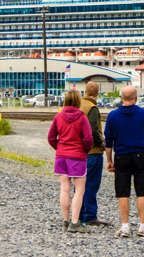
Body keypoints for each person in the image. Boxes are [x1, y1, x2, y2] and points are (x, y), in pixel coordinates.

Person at [104, 85, 144, 238]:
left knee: (123, 192)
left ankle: (125, 226)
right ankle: (142, 226)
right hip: (141, 155)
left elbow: (109, 141)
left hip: (121, 156)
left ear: (122, 98)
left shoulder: (113, 115)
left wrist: (109, 160)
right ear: (135, 98)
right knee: (142, 192)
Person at [47, 89, 93, 233]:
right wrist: (84, 150)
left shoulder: (58, 117)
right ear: (78, 101)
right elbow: (88, 139)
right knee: (79, 190)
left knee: (64, 189)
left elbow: (50, 137)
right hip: (77, 157)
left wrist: (59, 148)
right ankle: (75, 222)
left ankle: (65, 221)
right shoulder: (82, 117)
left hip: (61, 157)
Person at [79, 82, 110, 227]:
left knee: (79, 185)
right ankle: (90, 215)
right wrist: (102, 144)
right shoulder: (92, 108)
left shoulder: (77, 104)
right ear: (96, 94)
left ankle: (78, 213)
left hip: (78, 152)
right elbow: (92, 129)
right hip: (92, 151)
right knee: (91, 184)